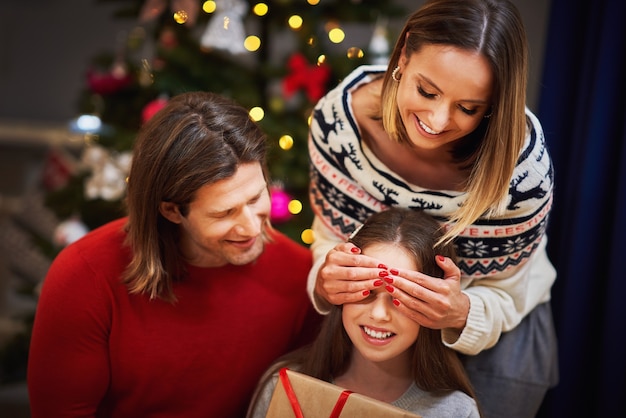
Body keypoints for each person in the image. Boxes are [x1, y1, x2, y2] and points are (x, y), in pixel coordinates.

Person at [307, 0, 558, 417]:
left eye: (469, 108)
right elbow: (331, 236)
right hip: (383, 330)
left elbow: (507, 291)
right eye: (427, 91)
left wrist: (463, 313)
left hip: (497, 340)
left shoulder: (522, 173)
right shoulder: (338, 123)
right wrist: (325, 279)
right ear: (403, 53)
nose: (438, 121)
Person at [27, 91, 321, 418]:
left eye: (255, 198)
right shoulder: (84, 275)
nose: (251, 228)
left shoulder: (301, 277)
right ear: (171, 210)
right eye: (224, 213)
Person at [247, 208, 481, 418]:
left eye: (401, 298)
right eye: (366, 291)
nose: (379, 314)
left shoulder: (455, 412)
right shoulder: (284, 385)